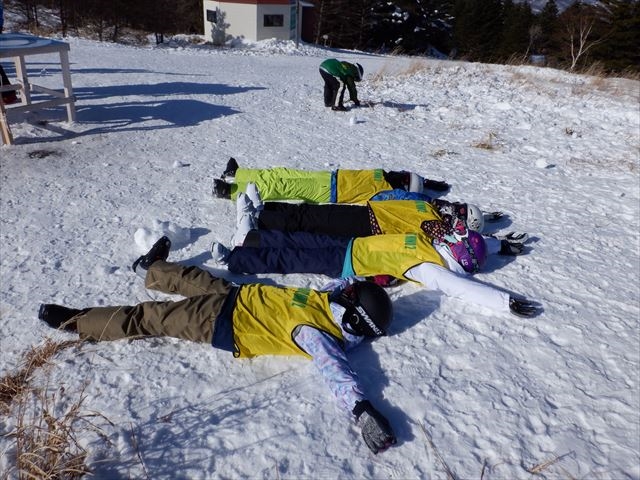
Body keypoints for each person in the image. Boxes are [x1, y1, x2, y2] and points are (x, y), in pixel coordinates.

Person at [38, 236, 398, 454]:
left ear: (351, 316)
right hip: (236, 296)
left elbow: (336, 373)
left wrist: (362, 410)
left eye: (353, 294)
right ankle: (151, 268)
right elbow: (343, 285)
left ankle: (75, 321)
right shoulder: (330, 305)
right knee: (194, 279)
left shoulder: (317, 335)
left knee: (149, 317)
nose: (347, 289)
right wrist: (377, 277)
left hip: (220, 322)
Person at [210, 226, 539, 318]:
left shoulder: (430, 268)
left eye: (458, 238)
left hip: (345, 262)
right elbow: (479, 246)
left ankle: (235, 261)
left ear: (459, 253)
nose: (453, 233)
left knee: (289, 259)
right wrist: (500, 246)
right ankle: (251, 239)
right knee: (295, 238)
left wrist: (503, 301)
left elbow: (463, 288)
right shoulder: (439, 248)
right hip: (350, 241)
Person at [231, 187, 520, 249]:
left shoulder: (437, 227)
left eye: (457, 211)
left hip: (365, 226)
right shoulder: (432, 206)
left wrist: (493, 241)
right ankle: (265, 209)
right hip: (367, 212)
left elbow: (462, 242)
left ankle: (258, 225)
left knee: (309, 221)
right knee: (311, 210)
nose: (452, 207)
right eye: (457, 205)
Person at [211, 157, 450, 204]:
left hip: (328, 192)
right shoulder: (386, 175)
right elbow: (408, 179)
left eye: (404, 178)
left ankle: (230, 191)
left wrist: (425, 195)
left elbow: (408, 198)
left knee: (278, 186)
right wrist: (430, 182)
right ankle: (239, 174)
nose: (400, 174)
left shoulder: (387, 193)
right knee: (279, 173)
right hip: (329, 177)